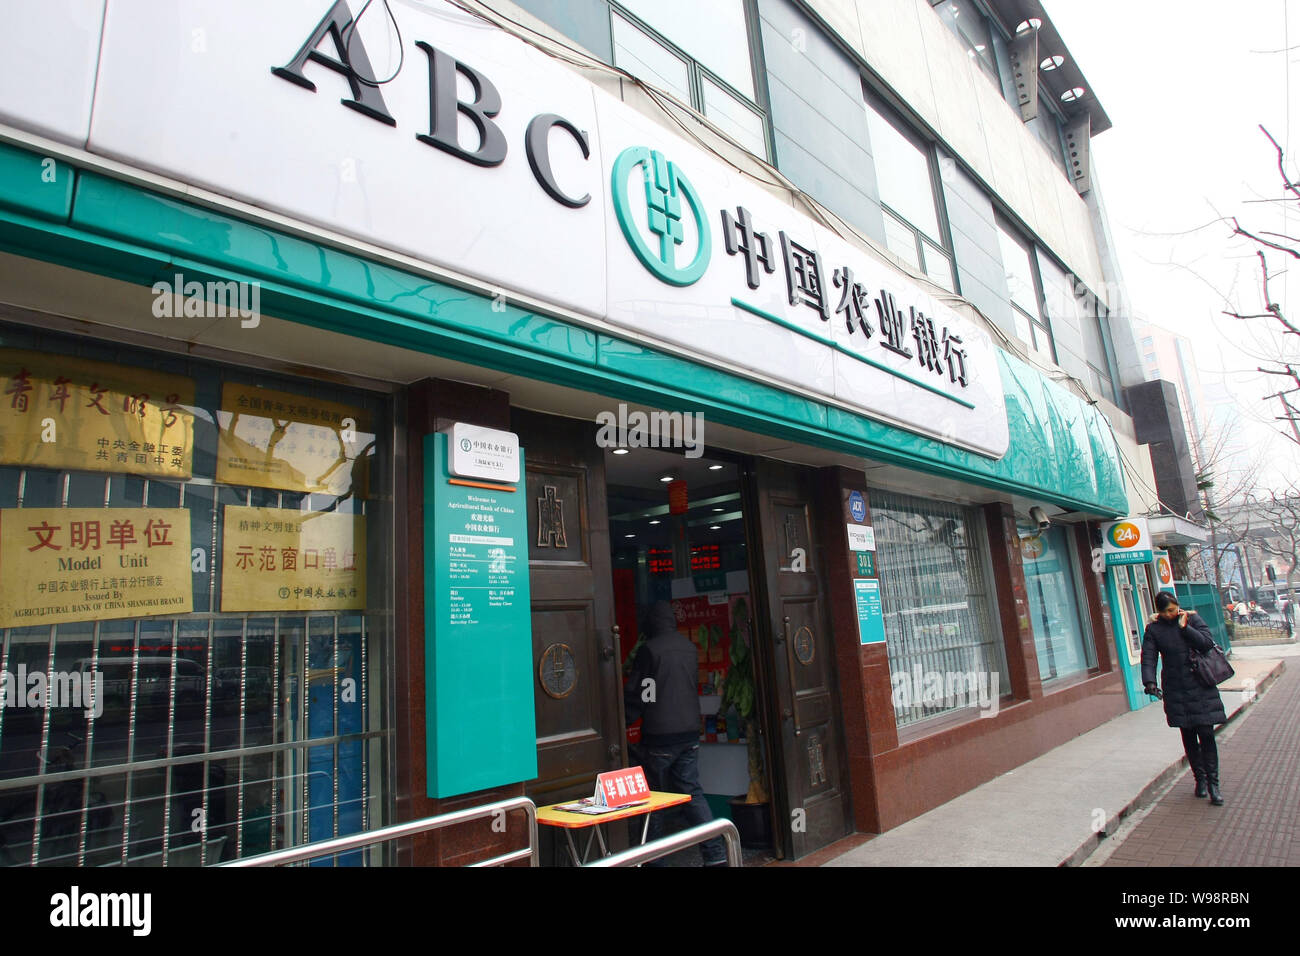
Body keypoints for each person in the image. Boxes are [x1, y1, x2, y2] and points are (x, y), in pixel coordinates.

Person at [624, 600, 727, 866]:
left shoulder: (650, 650)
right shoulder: (688, 648)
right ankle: (715, 853)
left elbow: (645, 691)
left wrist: (627, 717)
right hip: (690, 732)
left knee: (654, 799)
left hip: (660, 735)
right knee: (693, 793)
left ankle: (653, 860)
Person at [1141, 591, 1228, 806]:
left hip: (1200, 684)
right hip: (1176, 687)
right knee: (1188, 734)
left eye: (1173, 609)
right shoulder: (1154, 629)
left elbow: (1207, 643)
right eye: (1166, 611)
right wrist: (1149, 682)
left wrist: (1185, 627)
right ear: (1159, 612)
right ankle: (1199, 779)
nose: (1171, 614)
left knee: (1206, 733)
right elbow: (1149, 657)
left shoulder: (1192, 619)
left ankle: (1214, 785)